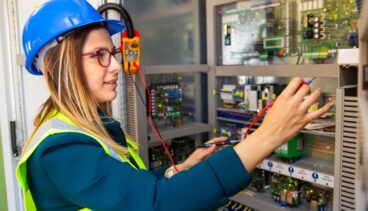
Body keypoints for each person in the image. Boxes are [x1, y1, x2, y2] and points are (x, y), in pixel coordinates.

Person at [16, 0, 334, 210]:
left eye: (110, 54)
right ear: (60, 66)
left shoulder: (90, 127)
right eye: (99, 55)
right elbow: (158, 205)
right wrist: (268, 136)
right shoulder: (61, 148)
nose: (114, 66)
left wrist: (181, 168)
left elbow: (128, 186)